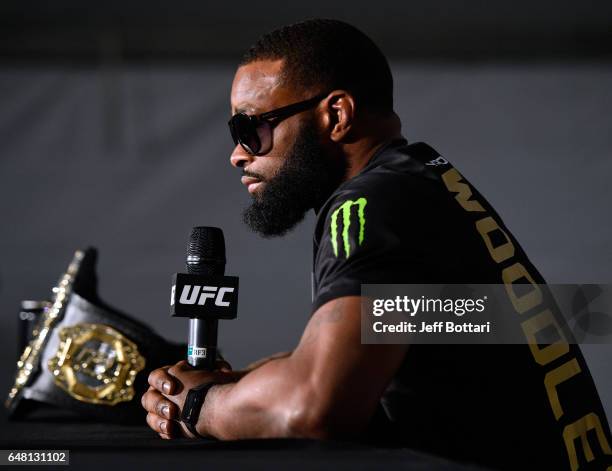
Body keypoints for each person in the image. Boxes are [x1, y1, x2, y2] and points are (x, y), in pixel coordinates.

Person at [141, 19, 612, 469]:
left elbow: (316, 407)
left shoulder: (370, 204)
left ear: (337, 115)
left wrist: (199, 406)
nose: (237, 153)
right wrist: (239, 385)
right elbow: (418, 334)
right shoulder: (420, 182)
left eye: (251, 128)